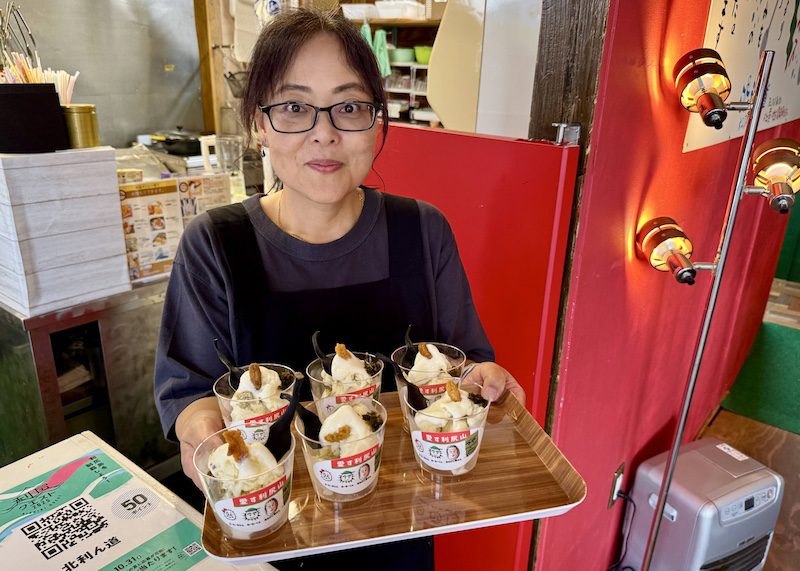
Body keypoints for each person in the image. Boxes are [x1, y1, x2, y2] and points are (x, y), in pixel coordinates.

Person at [154, 8, 524, 570]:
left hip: (401, 524)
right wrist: (206, 441)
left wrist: (486, 388)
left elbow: (464, 366)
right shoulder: (216, 244)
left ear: (377, 123)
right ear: (260, 124)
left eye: (348, 107)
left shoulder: (423, 231)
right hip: (270, 531)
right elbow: (190, 393)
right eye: (295, 107)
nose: (323, 132)